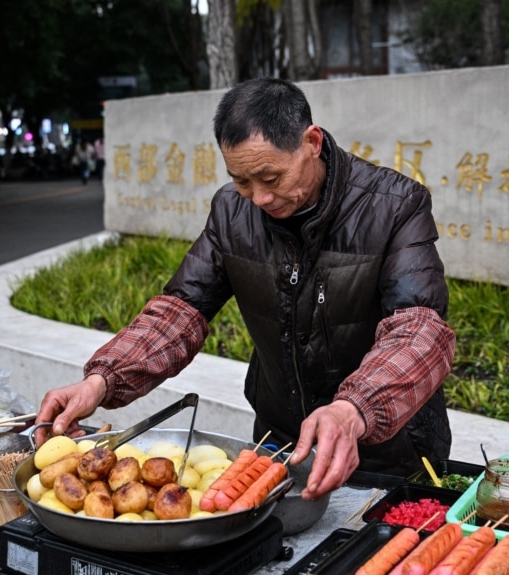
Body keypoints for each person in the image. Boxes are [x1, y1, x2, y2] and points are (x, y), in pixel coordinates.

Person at [34, 78, 456, 501]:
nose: (259, 198)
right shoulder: (231, 211)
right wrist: (103, 380)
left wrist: (354, 410)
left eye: (270, 177)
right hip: (277, 443)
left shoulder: (395, 204)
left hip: (391, 450)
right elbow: (182, 308)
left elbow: (420, 329)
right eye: (241, 181)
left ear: (311, 141)